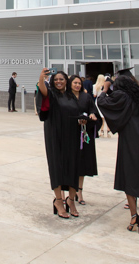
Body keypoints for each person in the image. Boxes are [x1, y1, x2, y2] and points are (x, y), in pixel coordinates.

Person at [96, 70, 139, 233]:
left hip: (130, 141)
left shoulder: (122, 96)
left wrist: (105, 88)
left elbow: (102, 102)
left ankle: (134, 216)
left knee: (129, 175)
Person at [37, 68, 82, 219]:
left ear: (66, 81)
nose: (58, 82)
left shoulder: (71, 96)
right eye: (56, 79)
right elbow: (42, 89)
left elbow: (77, 112)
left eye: (61, 79)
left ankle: (71, 200)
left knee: (73, 165)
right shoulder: (51, 94)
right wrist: (42, 78)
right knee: (57, 165)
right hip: (54, 134)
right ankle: (58, 201)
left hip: (72, 135)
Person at [69, 75, 98, 206]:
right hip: (70, 134)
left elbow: (93, 110)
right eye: (75, 83)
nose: (77, 85)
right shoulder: (66, 97)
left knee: (82, 163)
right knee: (71, 162)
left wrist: (92, 115)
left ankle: (79, 191)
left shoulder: (86, 97)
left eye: (79, 83)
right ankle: (71, 190)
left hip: (84, 133)